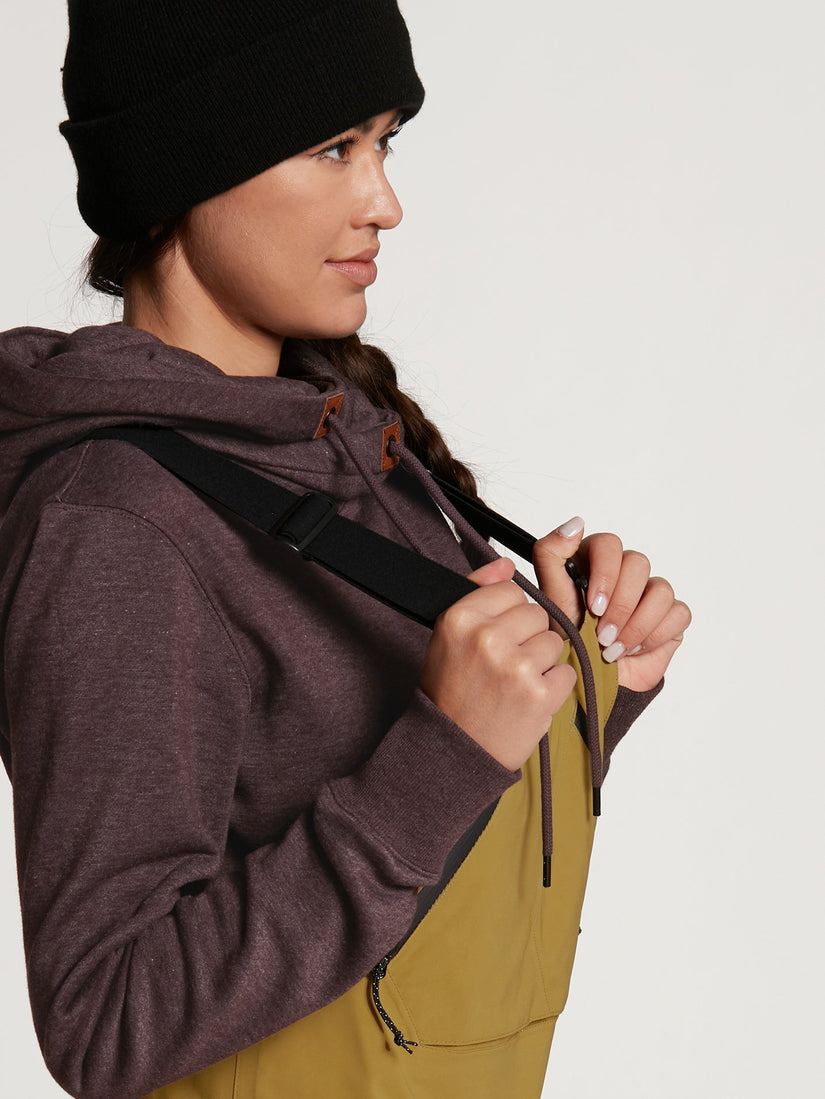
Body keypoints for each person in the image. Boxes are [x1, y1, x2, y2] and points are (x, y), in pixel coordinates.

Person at [0, 2, 691, 1097]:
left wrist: (588, 686)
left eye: (384, 144)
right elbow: (105, 1019)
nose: (385, 202)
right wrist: (449, 746)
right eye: (333, 148)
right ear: (187, 165)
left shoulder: (345, 440)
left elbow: (424, 852)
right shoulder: (120, 527)